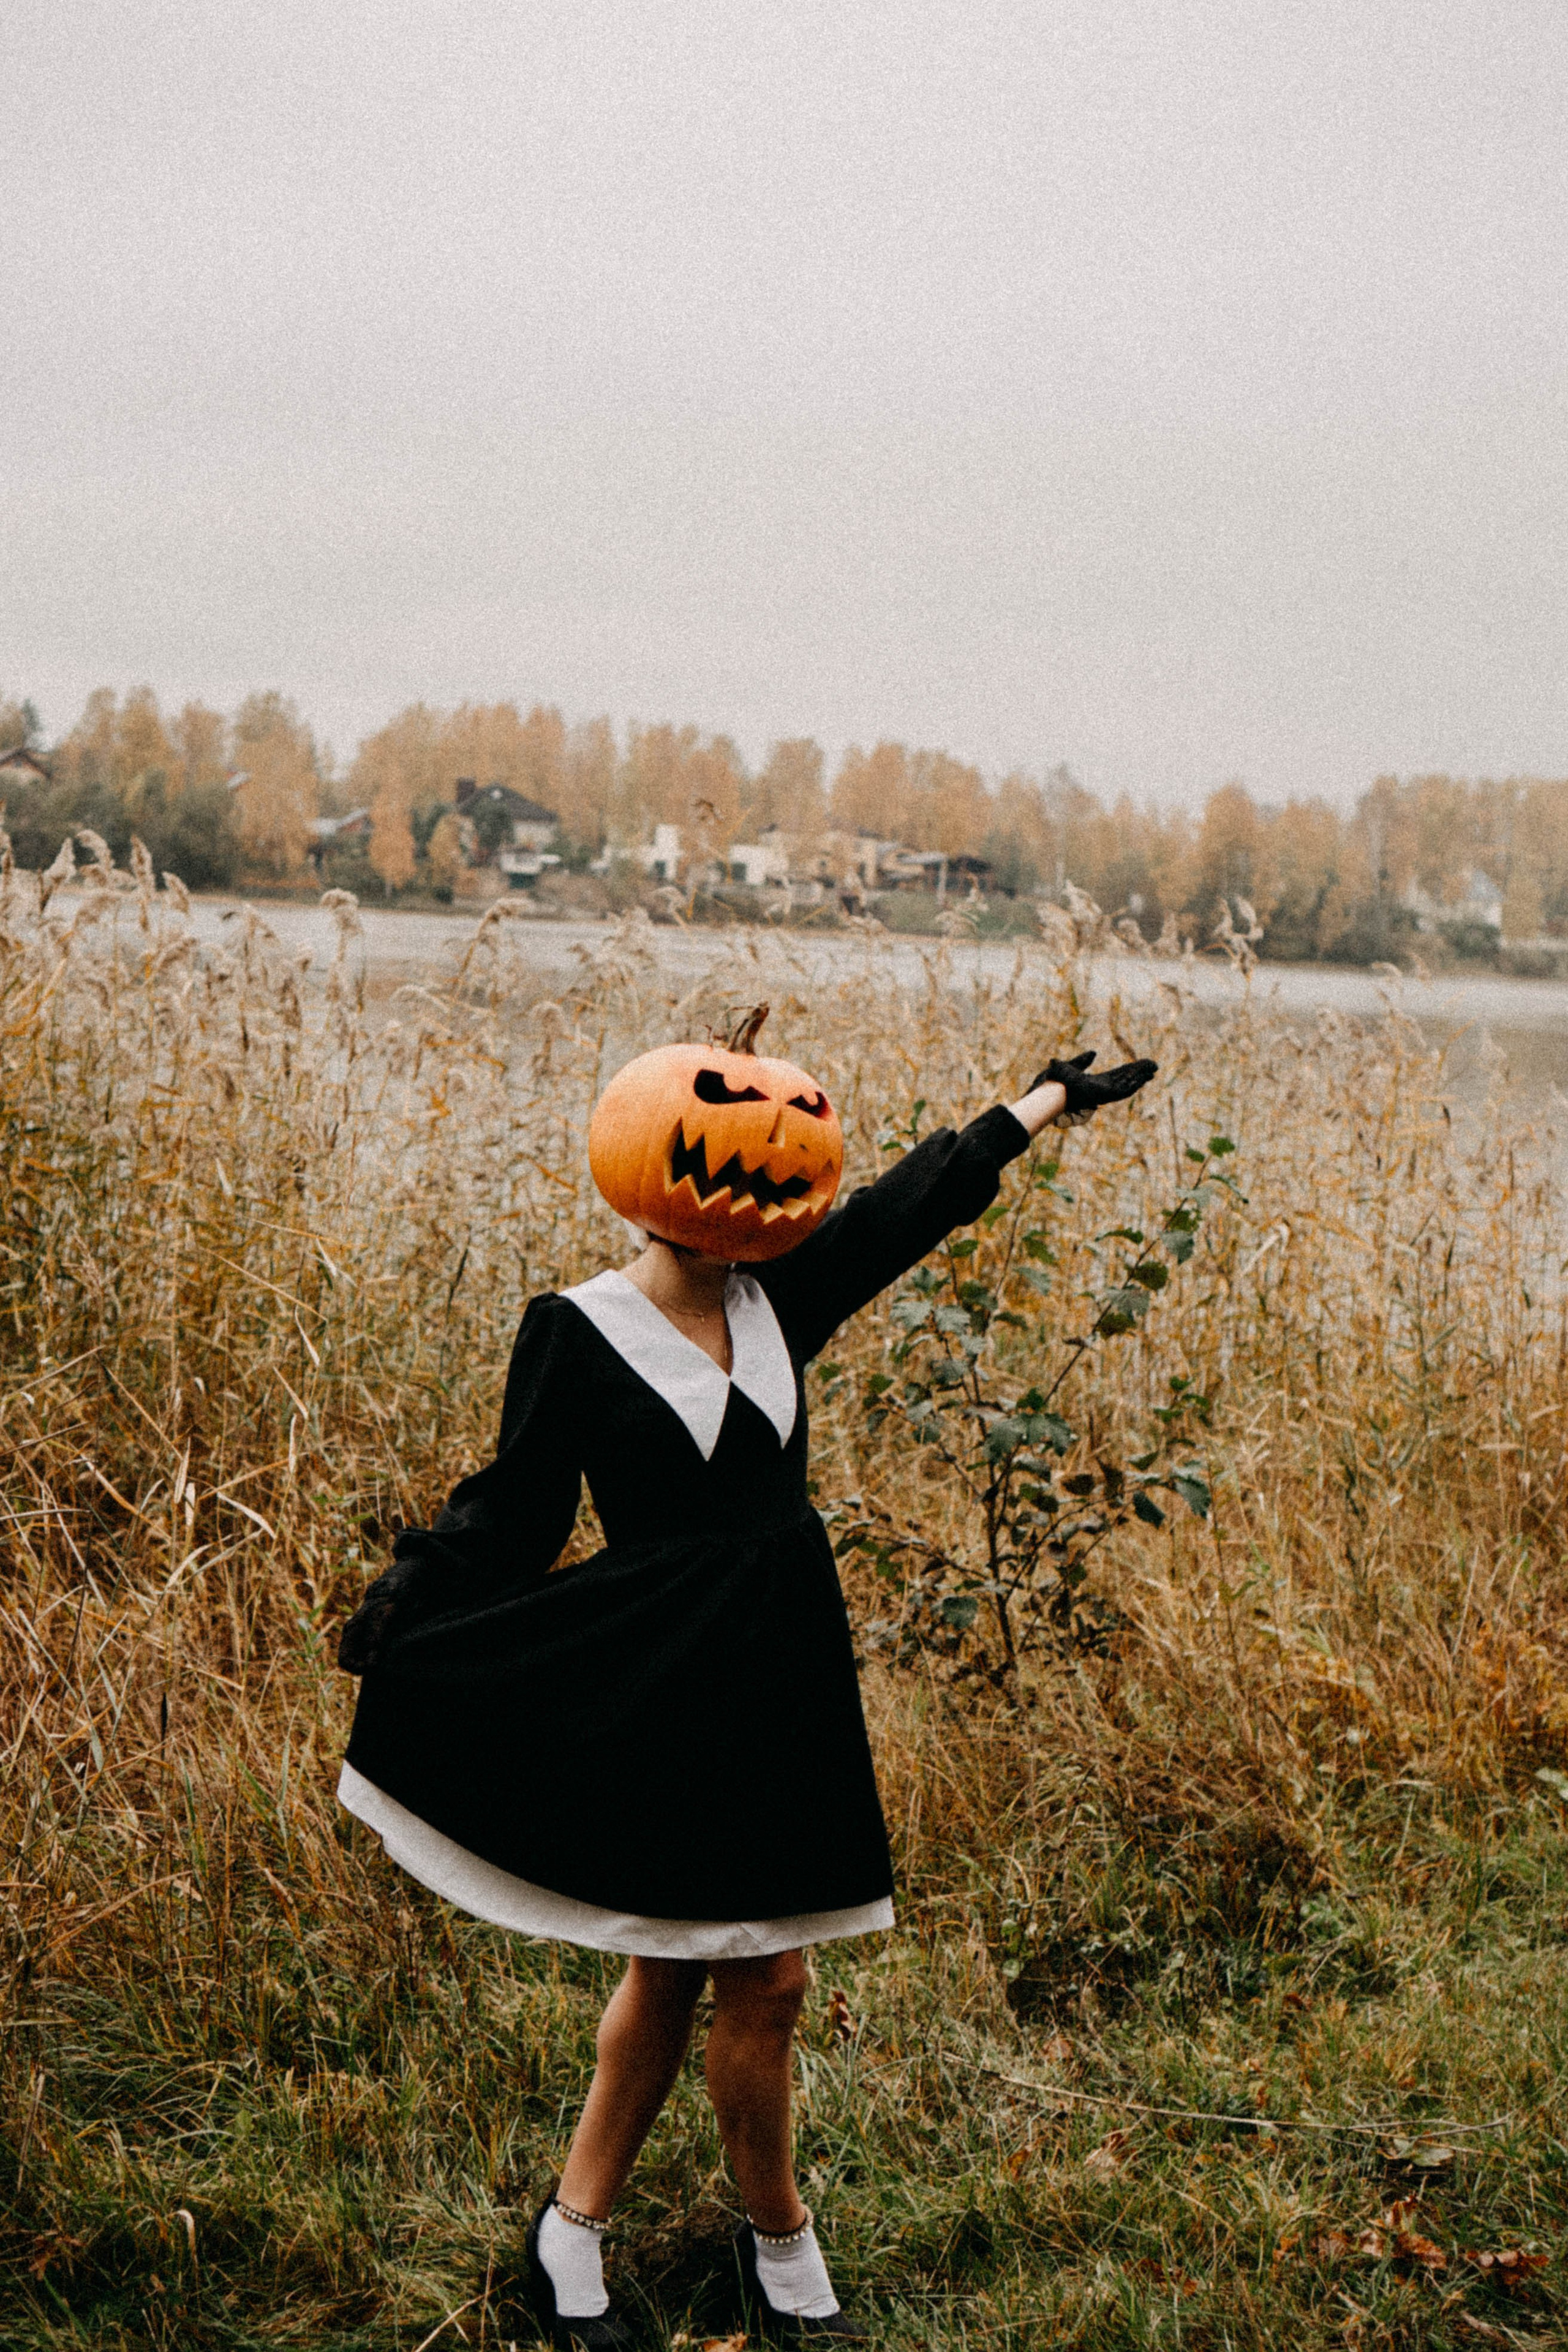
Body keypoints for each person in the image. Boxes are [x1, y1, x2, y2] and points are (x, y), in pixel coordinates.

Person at [336, 1044, 1156, 2347]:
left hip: (778, 1681)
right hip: (660, 1673)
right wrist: (414, 1599)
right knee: (756, 1976)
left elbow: (906, 1209)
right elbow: (518, 1509)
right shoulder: (577, 1328)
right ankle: (776, 2250)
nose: (768, 1191)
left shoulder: (783, 1296)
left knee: (695, 1973)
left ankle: (575, 2237)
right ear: (648, 1171)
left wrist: (1040, 1104)